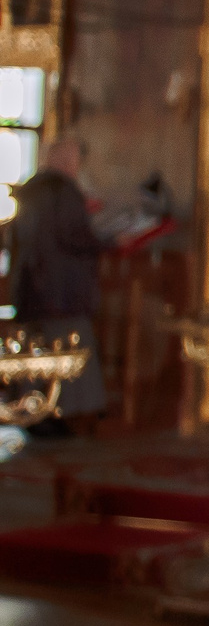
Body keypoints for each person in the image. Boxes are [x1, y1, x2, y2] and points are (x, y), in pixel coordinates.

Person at [8, 136, 105, 430]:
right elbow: (74, 237)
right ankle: (54, 414)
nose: (77, 166)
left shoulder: (31, 190)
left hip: (32, 289)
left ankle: (34, 413)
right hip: (62, 293)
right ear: (65, 161)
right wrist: (107, 241)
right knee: (63, 351)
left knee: (37, 349)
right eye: (74, 160)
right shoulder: (62, 191)